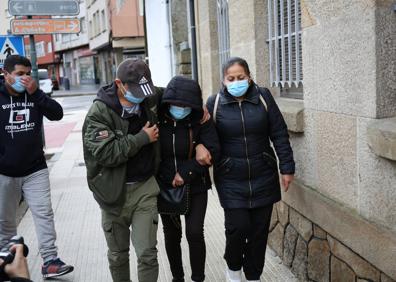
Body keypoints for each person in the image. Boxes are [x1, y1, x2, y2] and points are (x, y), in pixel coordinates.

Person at [206, 57, 295, 282]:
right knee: (237, 228)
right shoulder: (214, 102)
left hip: (263, 174)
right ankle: (234, 269)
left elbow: (279, 133)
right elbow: (204, 136)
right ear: (224, 80)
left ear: (249, 77)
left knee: (258, 232)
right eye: (231, 78)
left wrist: (286, 167)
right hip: (230, 178)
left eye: (241, 77)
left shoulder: (263, 97)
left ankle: (253, 275)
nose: (236, 82)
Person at [82, 59, 163, 282]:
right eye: (136, 90)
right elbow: (107, 153)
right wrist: (141, 139)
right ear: (119, 83)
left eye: (145, 90)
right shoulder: (99, 112)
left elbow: (177, 96)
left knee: (147, 254)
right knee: (118, 255)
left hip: (144, 190)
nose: (142, 95)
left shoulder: (150, 98)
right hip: (112, 194)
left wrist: (199, 108)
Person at [0, 55, 74, 279]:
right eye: (19, 74)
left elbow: (57, 113)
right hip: (4, 171)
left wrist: (36, 93)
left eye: (27, 73)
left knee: (44, 214)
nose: (25, 78)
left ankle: (50, 261)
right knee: (5, 220)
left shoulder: (34, 95)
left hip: (35, 168)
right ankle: (8, 263)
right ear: (6, 74)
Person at [157, 76, 220, 282]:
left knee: (194, 233)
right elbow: (153, 155)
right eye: (175, 104)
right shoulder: (157, 118)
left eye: (185, 105)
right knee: (172, 235)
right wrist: (170, 176)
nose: (179, 108)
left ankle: (198, 278)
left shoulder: (201, 119)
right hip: (166, 186)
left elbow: (213, 151)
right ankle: (177, 277)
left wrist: (185, 173)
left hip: (196, 185)